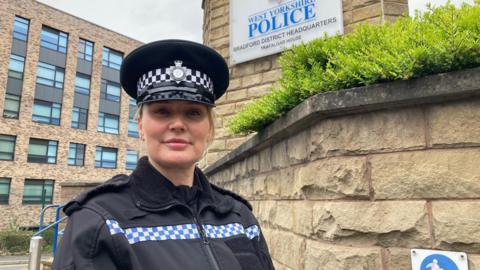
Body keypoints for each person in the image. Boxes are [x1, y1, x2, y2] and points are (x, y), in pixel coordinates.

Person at [52, 39, 274, 270]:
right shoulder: (100, 221)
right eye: (162, 111)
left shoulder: (239, 217)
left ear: (209, 128)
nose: (178, 124)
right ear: (140, 125)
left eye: (193, 113)